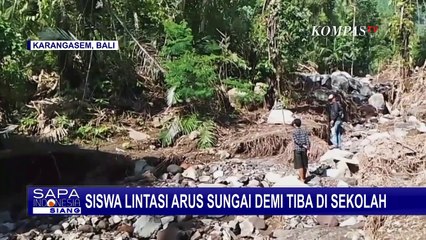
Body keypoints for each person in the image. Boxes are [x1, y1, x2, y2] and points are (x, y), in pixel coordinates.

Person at [292, 118, 310, 183]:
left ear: (294, 124)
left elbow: (296, 141)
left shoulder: (294, 132)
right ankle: (304, 177)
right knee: (304, 164)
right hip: (304, 149)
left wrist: (302, 145)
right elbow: (307, 140)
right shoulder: (304, 131)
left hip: (298, 149)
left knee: (300, 165)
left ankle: (302, 179)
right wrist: (307, 148)